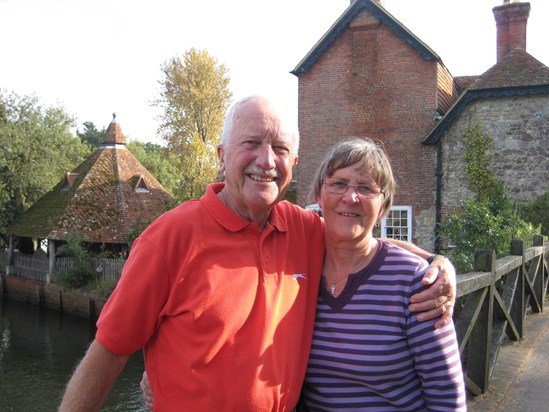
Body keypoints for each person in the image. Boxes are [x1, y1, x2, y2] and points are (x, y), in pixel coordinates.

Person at [60, 96, 455, 411]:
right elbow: (109, 353)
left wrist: (437, 264)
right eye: (251, 143)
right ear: (222, 154)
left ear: (294, 164)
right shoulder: (170, 238)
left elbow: (359, 240)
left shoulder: (302, 229)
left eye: (280, 148)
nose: (266, 160)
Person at [298, 138, 466, 410]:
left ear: (383, 204)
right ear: (319, 194)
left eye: (365, 187)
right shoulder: (299, 268)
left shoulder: (416, 282)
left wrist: (439, 261)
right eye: (339, 183)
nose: (350, 197)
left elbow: (447, 397)